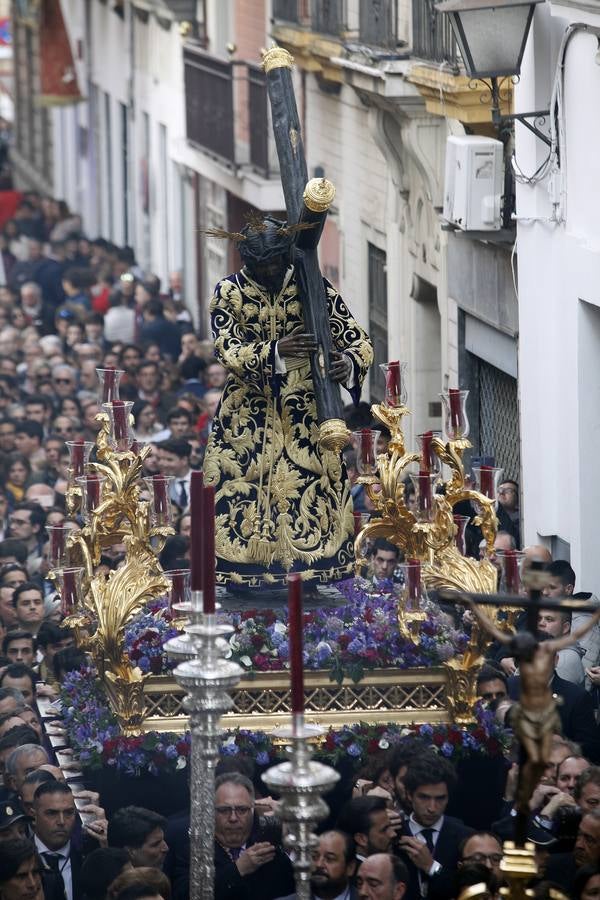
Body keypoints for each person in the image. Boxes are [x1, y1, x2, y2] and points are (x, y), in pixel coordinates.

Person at [202, 216, 372, 588]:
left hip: (306, 411)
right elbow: (226, 348)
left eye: (275, 264)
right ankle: (244, 572)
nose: (269, 271)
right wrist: (275, 351)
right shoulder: (228, 293)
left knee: (313, 488)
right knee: (241, 492)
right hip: (249, 413)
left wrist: (349, 362)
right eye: (260, 266)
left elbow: (357, 339)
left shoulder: (312, 287)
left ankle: (313, 569)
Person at [396, 755, 472, 900]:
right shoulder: (393, 834)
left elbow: (469, 891)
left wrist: (432, 867)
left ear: (448, 797)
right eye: (424, 797)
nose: (432, 808)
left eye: (440, 798)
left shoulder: (465, 837)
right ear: (409, 795)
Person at [211, 772, 294, 900]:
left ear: (252, 810)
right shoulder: (197, 848)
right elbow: (183, 894)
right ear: (212, 812)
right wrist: (238, 869)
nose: (233, 818)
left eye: (242, 810)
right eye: (224, 810)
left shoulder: (269, 848)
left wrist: (290, 838)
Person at [537, 606, 585, 685]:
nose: (541, 623)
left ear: (565, 628)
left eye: (549, 619)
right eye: (539, 618)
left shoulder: (565, 660)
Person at [496, 479, 520, 548]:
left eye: (508, 490)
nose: (501, 493)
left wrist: (498, 505)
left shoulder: (521, 521)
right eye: (499, 490)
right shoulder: (490, 516)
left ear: (518, 498)